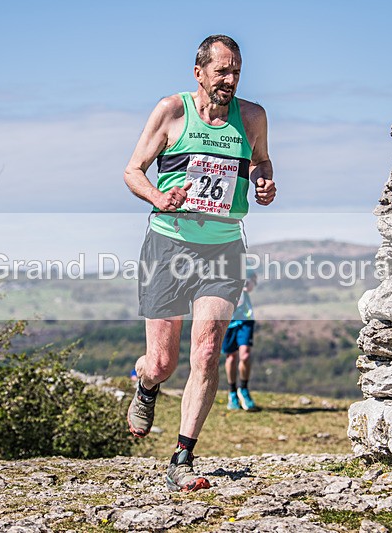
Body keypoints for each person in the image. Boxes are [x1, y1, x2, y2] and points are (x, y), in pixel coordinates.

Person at [123, 34, 276, 492]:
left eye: (236, 72)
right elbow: (133, 170)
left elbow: (261, 162)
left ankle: (182, 457)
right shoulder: (171, 111)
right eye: (222, 71)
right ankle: (146, 383)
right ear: (199, 73)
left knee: (208, 350)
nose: (229, 80)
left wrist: (264, 182)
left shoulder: (252, 117)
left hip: (224, 248)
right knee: (164, 361)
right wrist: (157, 196)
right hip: (168, 246)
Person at [223, 271, 259, 411]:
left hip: (245, 318)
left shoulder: (245, 267)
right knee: (231, 357)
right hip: (227, 318)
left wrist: (248, 283)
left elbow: (251, 283)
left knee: (245, 355)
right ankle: (232, 392)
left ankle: (243, 389)